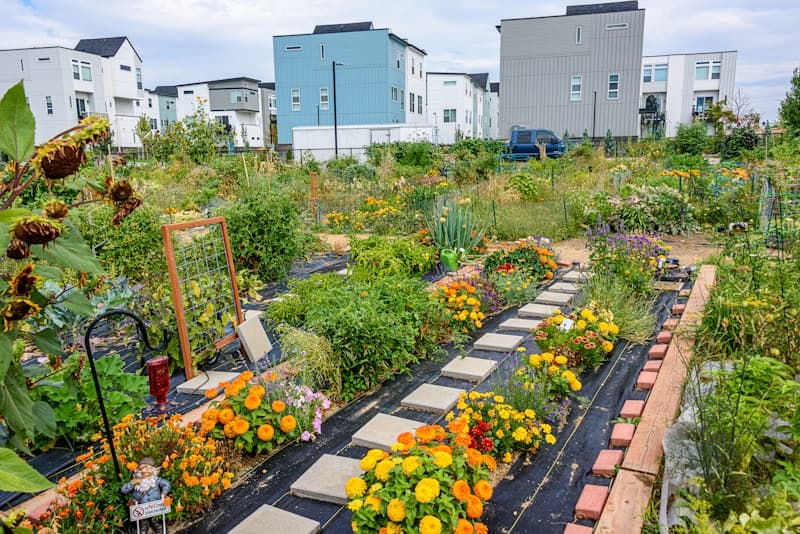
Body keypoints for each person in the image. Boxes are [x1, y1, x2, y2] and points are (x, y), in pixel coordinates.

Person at [121, 457, 171, 534]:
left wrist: (163, 494)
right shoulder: (136, 481)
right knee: (142, 526)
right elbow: (123, 490)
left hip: (154, 507)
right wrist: (132, 483)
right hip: (141, 508)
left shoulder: (156, 480)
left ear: (153, 469)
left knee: (157, 523)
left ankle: (159, 528)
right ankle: (144, 527)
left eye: (146, 468)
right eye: (141, 469)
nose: (144, 471)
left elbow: (166, 484)